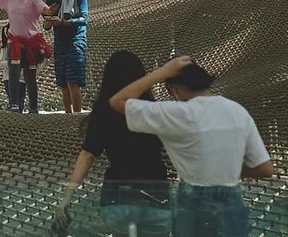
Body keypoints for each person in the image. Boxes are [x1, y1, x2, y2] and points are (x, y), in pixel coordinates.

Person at [110, 57, 274, 237]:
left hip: (193, 202)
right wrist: (229, 167)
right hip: (233, 199)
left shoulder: (177, 113)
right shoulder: (238, 111)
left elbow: (118, 101)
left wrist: (162, 72)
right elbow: (265, 169)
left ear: (174, 89)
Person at [54, 51, 170, 237]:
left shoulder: (104, 110)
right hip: (156, 194)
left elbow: (88, 154)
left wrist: (67, 197)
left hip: (119, 195)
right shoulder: (152, 109)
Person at [43, 0, 89, 113]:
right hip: (59, 44)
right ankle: (67, 115)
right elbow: (46, 25)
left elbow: (84, 19)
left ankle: (77, 115)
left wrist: (64, 22)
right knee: (63, 84)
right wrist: (49, 19)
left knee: (73, 82)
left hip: (75, 42)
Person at [0, 23, 26, 112]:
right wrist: (12, 64)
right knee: (14, 104)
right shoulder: (5, 47)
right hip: (8, 78)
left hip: (21, 78)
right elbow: (0, 63)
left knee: (21, 103)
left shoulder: (24, 46)